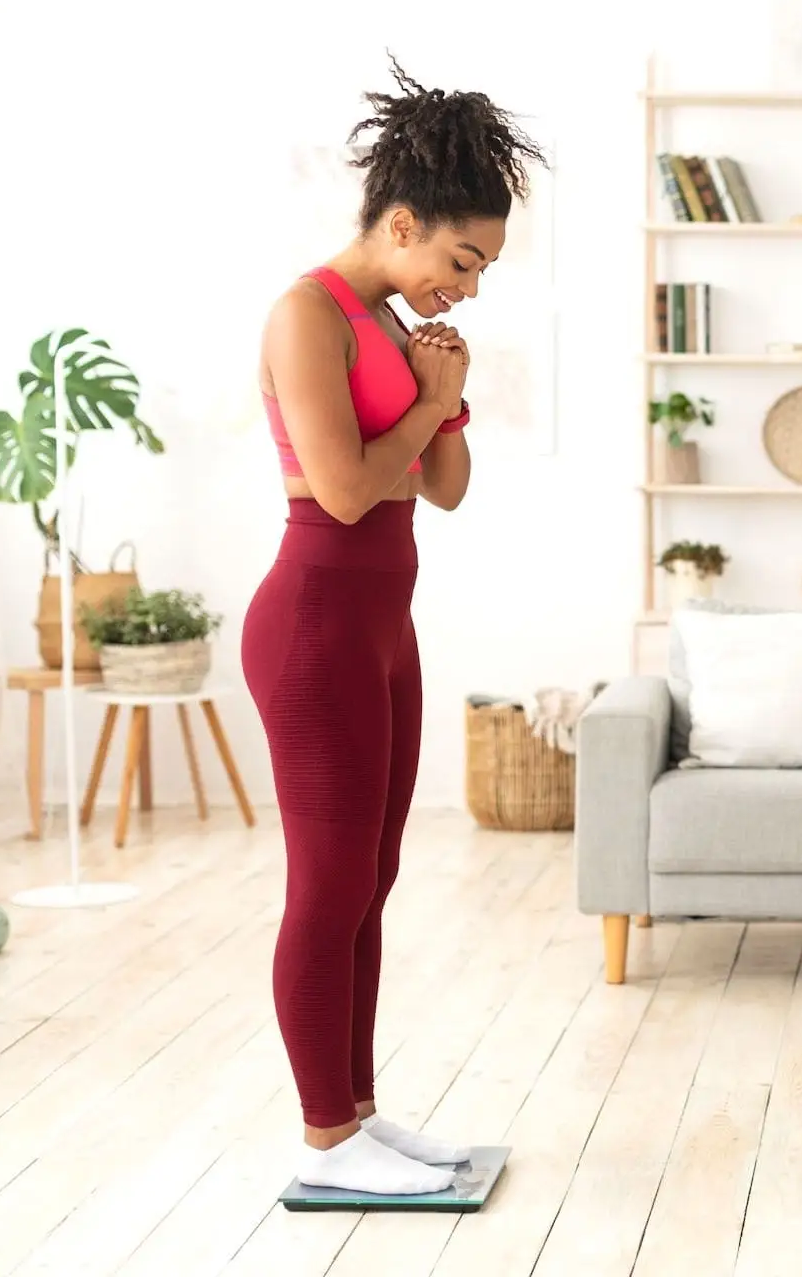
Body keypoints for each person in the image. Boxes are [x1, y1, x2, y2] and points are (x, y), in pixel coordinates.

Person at [242, 58, 542, 1196]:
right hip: (315, 623)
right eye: (461, 259)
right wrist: (422, 400)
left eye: (482, 269)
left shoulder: (390, 321)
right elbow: (349, 489)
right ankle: (327, 1133)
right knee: (325, 884)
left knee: (374, 871)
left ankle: (362, 1113)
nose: (466, 284)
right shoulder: (307, 313)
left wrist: (444, 388)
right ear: (404, 222)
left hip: (381, 624)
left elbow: (447, 486)